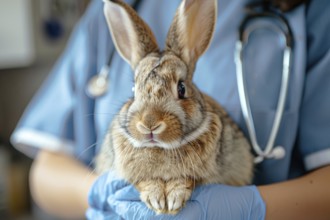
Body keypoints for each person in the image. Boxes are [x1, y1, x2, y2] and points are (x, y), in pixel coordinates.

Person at [10, 0, 330, 219]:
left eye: (178, 92)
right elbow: (44, 172)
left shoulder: (313, 10)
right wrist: (99, 194)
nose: (152, 121)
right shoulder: (117, 7)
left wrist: (251, 208)